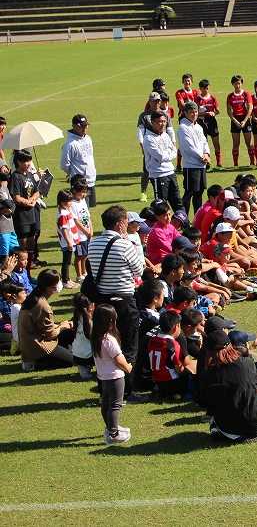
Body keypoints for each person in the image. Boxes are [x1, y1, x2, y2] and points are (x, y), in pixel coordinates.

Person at [88, 206, 146, 398]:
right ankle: (127, 389)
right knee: (128, 345)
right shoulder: (125, 245)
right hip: (124, 301)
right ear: (120, 223)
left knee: (104, 344)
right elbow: (139, 270)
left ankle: (104, 386)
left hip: (103, 301)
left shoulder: (93, 244)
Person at [200, 329, 257, 443]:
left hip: (228, 428)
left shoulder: (209, 373)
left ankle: (223, 432)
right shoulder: (247, 363)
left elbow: (205, 403)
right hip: (256, 426)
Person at [91, 303, 133, 444]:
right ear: (110, 321)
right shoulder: (109, 339)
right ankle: (113, 434)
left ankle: (110, 427)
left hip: (103, 376)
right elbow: (119, 360)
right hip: (115, 377)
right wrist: (128, 367)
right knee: (115, 405)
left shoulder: (95, 337)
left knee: (106, 404)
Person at [18, 269, 73, 371]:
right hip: (39, 346)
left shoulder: (33, 298)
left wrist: (60, 325)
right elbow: (50, 334)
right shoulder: (42, 305)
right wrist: (62, 326)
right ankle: (35, 364)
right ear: (50, 287)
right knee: (74, 360)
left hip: (28, 346)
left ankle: (32, 362)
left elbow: (41, 326)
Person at [142, 111, 181, 210]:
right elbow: (160, 156)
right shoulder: (148, 138)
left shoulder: (165, 135)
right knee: (161, 207)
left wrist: (167, 154)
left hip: (171, 173)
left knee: (178, 203)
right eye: (159, 122)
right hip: (158, 175)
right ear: (152, 122)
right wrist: (169, 153)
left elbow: (174, 151)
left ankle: (182, 220)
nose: (162, 124)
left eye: (164, 121)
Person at [10, 151, 42, 268]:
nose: (28, 163)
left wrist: (33, 199)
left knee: (31, 244)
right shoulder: (15, 177)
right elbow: (16, 197)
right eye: (25, 161)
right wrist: (28, 202)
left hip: (32, 214)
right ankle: (20, 271)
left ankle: (29, 268)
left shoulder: (29, 174)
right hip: (21, 216)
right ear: (18, 162)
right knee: (22, 246)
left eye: (29, 160)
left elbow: (37, 191)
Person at [178, 101, 210, 216]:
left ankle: (197, 217)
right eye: (191, 112)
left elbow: (204, 141)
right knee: (189, 193)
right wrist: (202, 156)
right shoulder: (183, 127)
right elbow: (188, 146)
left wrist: (207, 153)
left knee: (199, 193)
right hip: (190, 165)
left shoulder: (198, 126)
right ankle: (183, 219)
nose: (194, 114)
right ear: (185, 113)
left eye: (196, 111)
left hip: (201, 165)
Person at [59, 114, 97, 207]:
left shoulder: (88, 139)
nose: (84, 128)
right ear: (74, 126)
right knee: (81, 209)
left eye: (86, 126)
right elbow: (64, 164)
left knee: (89, 208)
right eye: (81, 126)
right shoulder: (70, 144)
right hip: (79, 183)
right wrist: (73, 174)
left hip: (91, 179)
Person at [56, 189, 87, 288]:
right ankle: (65, 281)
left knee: (68, 261)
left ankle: (68, 279)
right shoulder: (63, 214)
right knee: (66, 262)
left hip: (71, 240)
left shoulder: (66, 211)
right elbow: (64, 229)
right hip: (67, 242)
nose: (70, 203)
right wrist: (69, 242)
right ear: (62, 202)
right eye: (68, 201)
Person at [226, 74, 254, 167]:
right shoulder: (230, 96)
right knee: (235, 143)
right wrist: (235, 121)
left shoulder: (246, 94)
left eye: (239, 83)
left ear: (241, 83)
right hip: (235, 120)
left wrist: (245, 121)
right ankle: (235, 164)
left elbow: (250, 108)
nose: (237, 85)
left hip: (245, 119)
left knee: (249, 143)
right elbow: (229, 111)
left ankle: (252, 162)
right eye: (235, 83)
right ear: (232, 84)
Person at [195, 79, 222, 168]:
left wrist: (214, 113)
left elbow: (218, 111)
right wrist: (205, 113)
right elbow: (195, 114)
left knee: (216, 142)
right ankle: (207, 162)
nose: (206, 90)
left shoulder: (212, 98)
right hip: (201, 123)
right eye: (204, 88)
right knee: (203, 143)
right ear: (200, 88)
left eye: (207, 88)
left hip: (212, 122)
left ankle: (219, 163)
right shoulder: (197, 99)